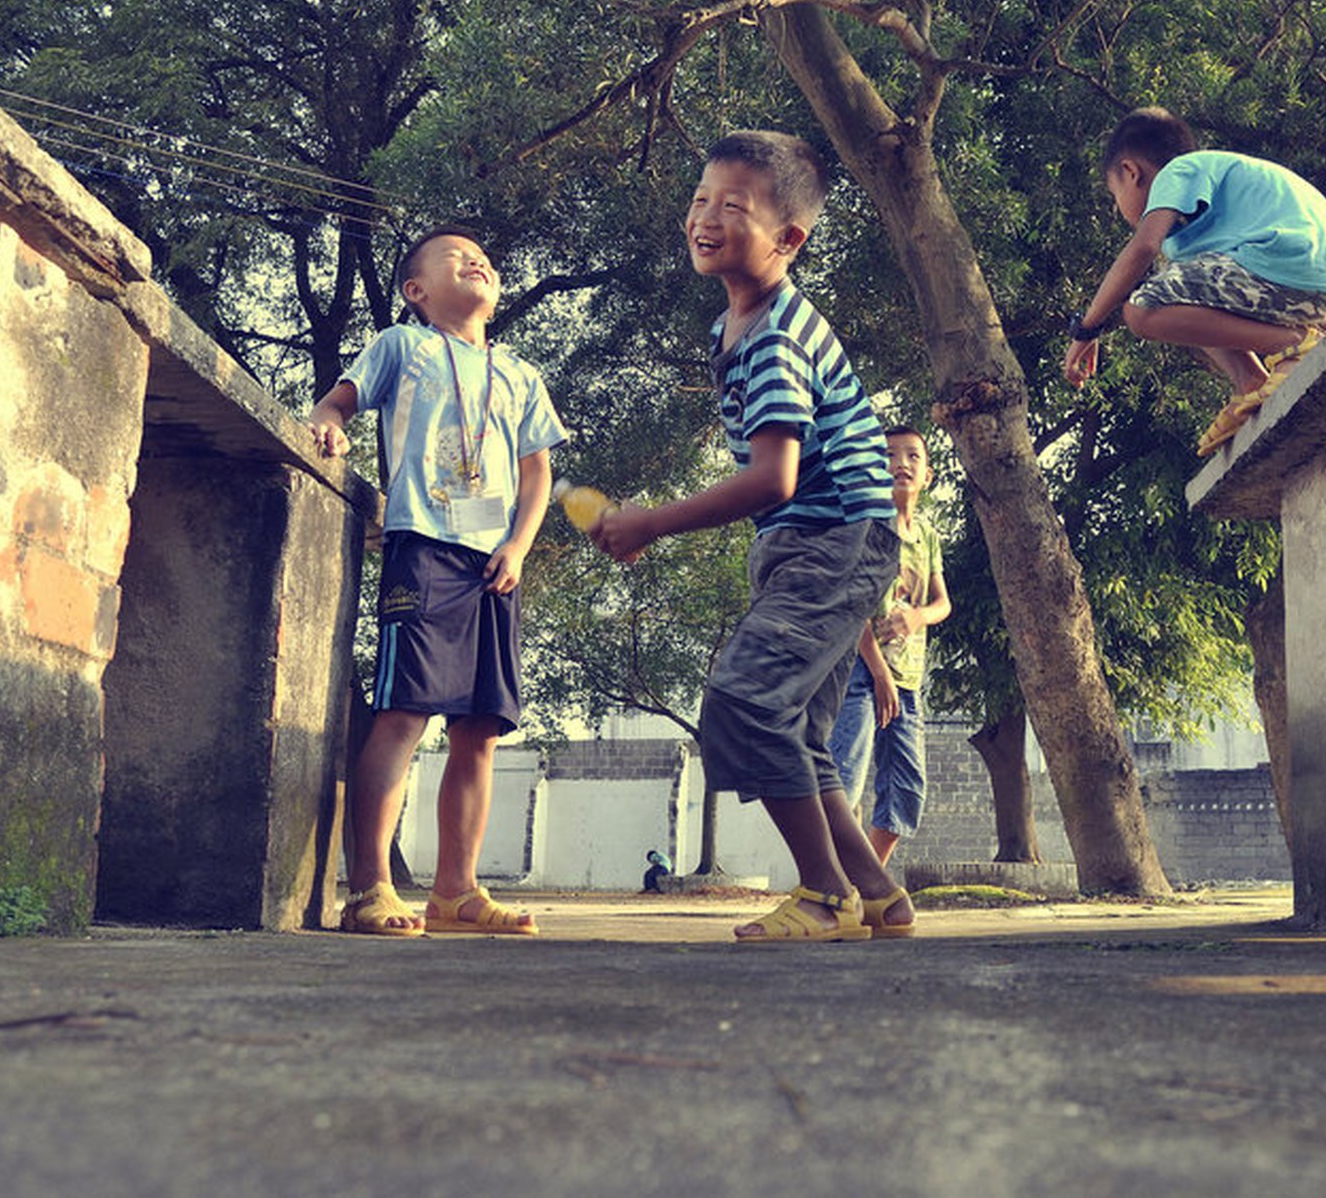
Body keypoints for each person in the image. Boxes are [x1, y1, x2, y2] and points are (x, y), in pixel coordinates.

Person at [588, 130, 916, 942]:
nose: (705, 217)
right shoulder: (730, 330)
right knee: (799, 730)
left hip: (836, 539)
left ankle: (823, 895)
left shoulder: (774, 336)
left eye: (734, 207)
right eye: (700, 199)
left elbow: (776, 478)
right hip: (817, 546)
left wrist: (652, 523)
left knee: (743, 701)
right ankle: (875, 891)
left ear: (789, 239)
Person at [307, 227, 567, 936]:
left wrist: (518, 545)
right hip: (423, 547)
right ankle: (370, 889)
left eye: (483, 253)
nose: (476, 259)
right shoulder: (402, 345)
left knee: (480, 731)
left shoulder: (519, 373)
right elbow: (340, 401)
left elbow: (536, 471)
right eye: (455, 256)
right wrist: (328, 422)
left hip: (494, 564)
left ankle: (456, 891)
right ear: (416, 291)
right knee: (404, 715)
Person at [1063, 107, 1326, 454]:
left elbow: (1142, 248)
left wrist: (1087, 329)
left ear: (1131, 172)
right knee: (1178, 292)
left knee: (1142, 309)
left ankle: (1294, 344)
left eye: (1114, 197)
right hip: (1322, 288)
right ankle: (1250, 382)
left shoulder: (1178, 171)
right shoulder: (1201, 216)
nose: (1119, 211)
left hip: (1294, 267)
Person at [828, 425, 951, 865]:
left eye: (913, 456)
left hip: (909, 680)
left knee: (907, 788)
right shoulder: (866, 528)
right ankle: (831, 883)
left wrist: (917, 616)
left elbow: (942, 603)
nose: (901, 463)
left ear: (928, 475)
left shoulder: (928, 536)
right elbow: (853, 607)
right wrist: (879, 673)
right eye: (890, 456)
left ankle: (867, 878)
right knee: (846, 777)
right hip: (862, 671)